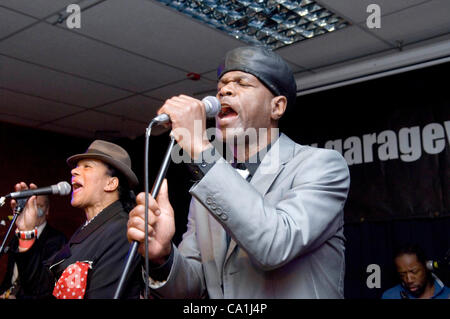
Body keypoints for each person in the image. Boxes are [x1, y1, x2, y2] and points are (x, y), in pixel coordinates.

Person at [127, 46, 351, 298]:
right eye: (221, 84)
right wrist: (163, 257)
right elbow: (193, 287)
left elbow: (274, 245)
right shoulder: (208, 187)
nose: (224, 90)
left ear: (276, 107)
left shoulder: (321, 166)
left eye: (242, 83)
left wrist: (199, 147)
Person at [10, 140, 142, 299]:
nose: (74, 171)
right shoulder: (86, 230)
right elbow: (42, 287)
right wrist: (27, 231)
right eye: (77, 166)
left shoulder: (123, 230)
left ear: (111, 183)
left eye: (87, 166)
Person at [0, 195, 66, 299]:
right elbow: (11, 274)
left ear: (47, 210)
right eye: (32, 205)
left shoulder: (57, 239)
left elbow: (46, 283)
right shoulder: (16, 237)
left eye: (40, 205)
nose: (35, 210)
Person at [382, 243, 450, 299]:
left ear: (426, 266)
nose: (409, 280)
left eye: (414, 272)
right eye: (402, 275)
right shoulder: (389, 296)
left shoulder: (447, 294)